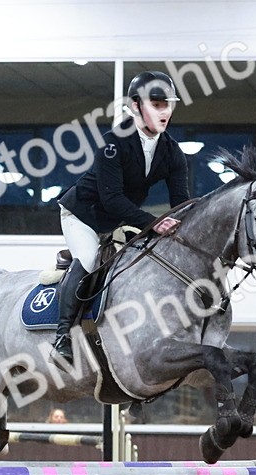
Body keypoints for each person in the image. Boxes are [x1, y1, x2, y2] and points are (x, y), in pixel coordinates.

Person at [52, 70, 191, 364]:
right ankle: (62, 337)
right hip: (83, 215)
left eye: (168, 104)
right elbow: (112, 198)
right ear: (135, 106)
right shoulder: (113, 142)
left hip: (118, 221)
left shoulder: (172, 152)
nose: (165, 111)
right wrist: (154, 224)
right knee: (89, 259)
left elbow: (181, 203)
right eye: (156, 104)